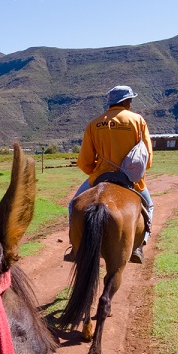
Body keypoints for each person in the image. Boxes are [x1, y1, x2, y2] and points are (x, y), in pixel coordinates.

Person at [66, 84, 154, 263]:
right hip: (130, 180)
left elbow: (85, 161)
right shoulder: (138, 121)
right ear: (127, 102)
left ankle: (76, 248)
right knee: (149, 207)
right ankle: (138, 247)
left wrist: (94, 171)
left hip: (100, 176)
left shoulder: (94, 124)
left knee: (73, 205)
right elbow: (147, 156)